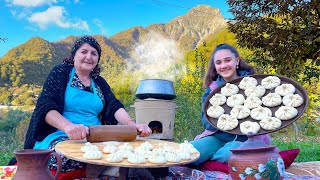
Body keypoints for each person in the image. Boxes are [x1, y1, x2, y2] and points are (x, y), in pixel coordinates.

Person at [22, 35, 152, 178]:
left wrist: (132, 125)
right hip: (61, 135)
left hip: (95, 137)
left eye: (94, 53)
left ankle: (117, 171)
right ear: (74, 55)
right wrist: (69, 127)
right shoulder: (61, 72)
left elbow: (114, 106)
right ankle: (111, 171)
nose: (89, 56)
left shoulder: (99, 82)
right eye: (84, 52)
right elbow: (46, 106)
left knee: (125, 149)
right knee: (66, 157)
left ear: (97, 59)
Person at [190, 43, 271, 166]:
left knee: (227, 155)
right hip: (217, 137)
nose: (223, 66)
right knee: (191, 151)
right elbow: (207, 122)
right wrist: (224, 119)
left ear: (237, 61)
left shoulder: (254, 85)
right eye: (218, 62)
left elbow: (266, 114)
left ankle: (209, 162)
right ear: (215, 67)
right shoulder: (211, 92)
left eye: (227, 60)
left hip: (246, 139)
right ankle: (209, 158)